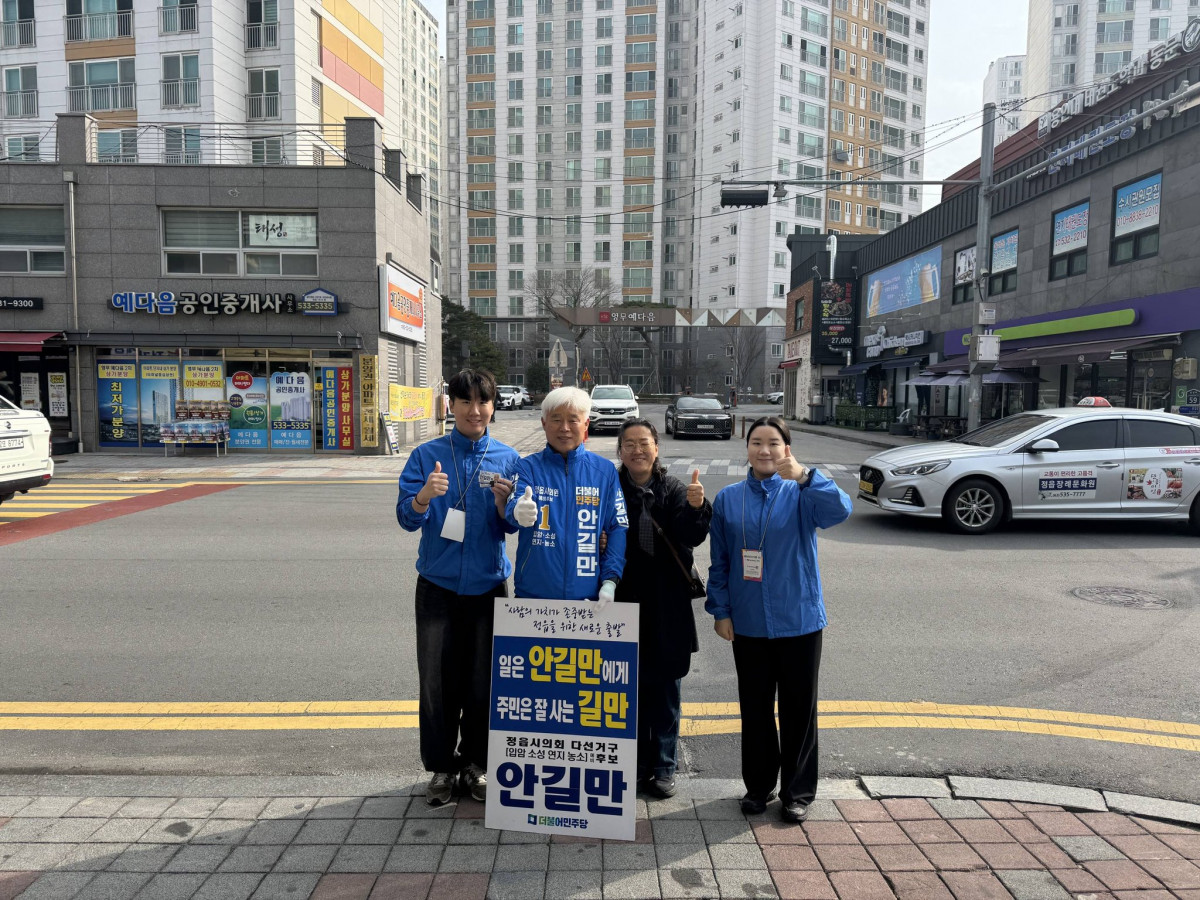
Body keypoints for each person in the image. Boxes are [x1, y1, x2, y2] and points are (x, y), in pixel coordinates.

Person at [705, 416, 852, 824]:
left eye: (773, 443)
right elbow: (720, 561)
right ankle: (758, 786)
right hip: (748, 621)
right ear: (747, 448)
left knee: (798, 709)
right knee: (754, 709)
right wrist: (721, 610)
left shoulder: (802, 492)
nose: (764, 450)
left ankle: (797, 792)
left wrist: (806, 476)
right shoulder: (729, 498)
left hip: (799, 619)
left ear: (787, 448)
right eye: (756, 442)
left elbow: (840, 510)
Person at [396, 369, 519, 806]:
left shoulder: (508, 458)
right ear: (451, 405)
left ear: (493, 406)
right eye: (465, 401)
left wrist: (506, 506)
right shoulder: (426, 455)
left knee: (484, 683)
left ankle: (476, 764)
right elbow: (406, 518)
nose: (474, 410)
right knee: (436, 683)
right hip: (438, 589)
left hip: (488, 589)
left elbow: (513, 525)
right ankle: (441, 768)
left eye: (482, 401)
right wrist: (424, 496)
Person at [614, 418, 711, 799]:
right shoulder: (611, 487)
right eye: (630, 444)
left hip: (667, 602)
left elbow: (691, 535)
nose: (637, 450)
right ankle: (637, 764)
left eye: (645, 443)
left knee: (667, 690)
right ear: (620, 451)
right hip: (623, 600)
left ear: (657, 448)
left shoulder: (673, 489)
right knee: (629, 689)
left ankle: (664, 765)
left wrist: (697, 507)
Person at [507, 386, 627, 602]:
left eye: (573, 420)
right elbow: (514, 502)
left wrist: (610, 581)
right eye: (556, 419)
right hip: (532, 596)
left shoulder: (605, 471)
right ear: (543, 423)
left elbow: (617, 526)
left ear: (586, 424)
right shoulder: (526, 467)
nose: (564, 428)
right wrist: (517, 510)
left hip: (588, 597)